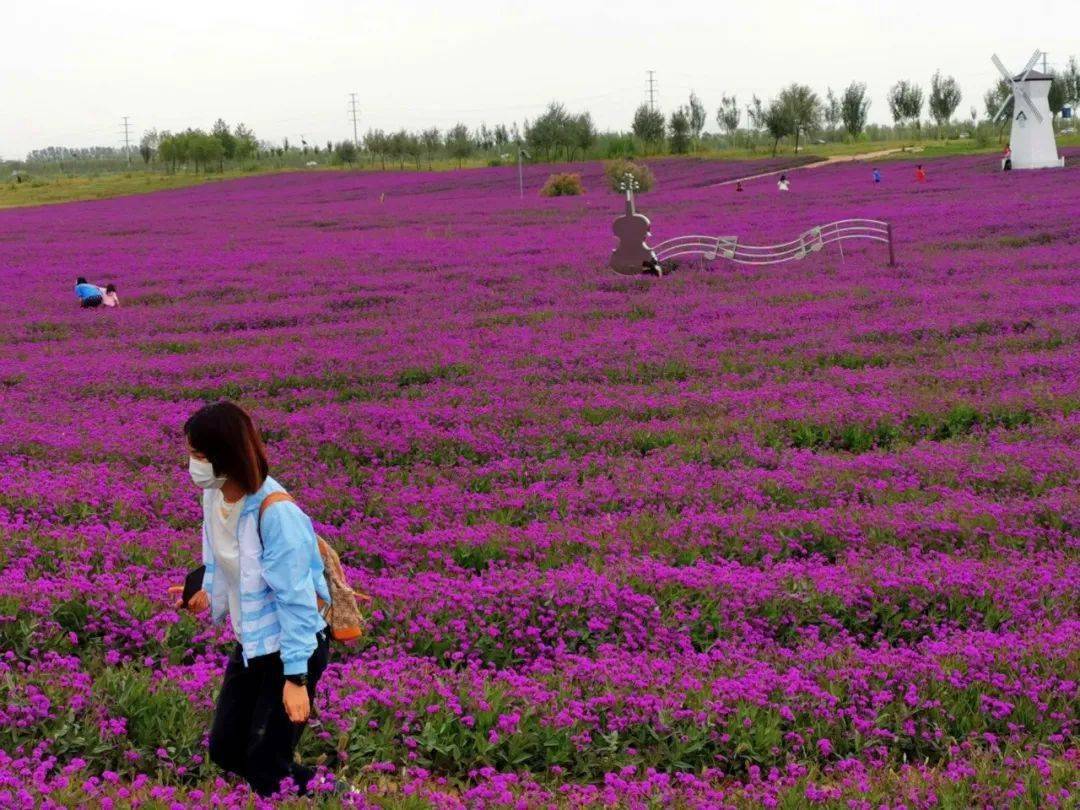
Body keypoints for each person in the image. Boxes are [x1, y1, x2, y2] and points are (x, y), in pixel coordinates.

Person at [169, 401, 335, 798]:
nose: (192, 464)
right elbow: (223, 559)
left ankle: (335, 794)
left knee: (264, 765)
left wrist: (296, 679)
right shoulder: (215, 496)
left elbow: (295, 601)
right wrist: (207, 594)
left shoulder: (276, 514)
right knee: (226, 750)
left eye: (197, 455)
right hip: (253, 642)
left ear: (224, 455)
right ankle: (296, 778)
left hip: (296, 646)